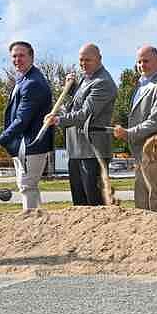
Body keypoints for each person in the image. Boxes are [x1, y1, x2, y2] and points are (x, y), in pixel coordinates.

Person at [44, 43, 118, 206]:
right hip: (77, 150)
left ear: (99, 59)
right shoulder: (87, 78)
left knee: (95, 203)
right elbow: (80, 101)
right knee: (80, 203)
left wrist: (58, 120)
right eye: (81, 60)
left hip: (92, 152)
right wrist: (72, 89)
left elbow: (85, 114)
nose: (83, 64)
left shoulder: (103, 82)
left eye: (88, 60)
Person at [0, 41, 53, 211]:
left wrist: (0, 140)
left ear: (31, 57)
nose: (17, 59)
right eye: (14, 56)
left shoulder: (33, 83)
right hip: (25, 144)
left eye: (21, 55)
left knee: (27, 185)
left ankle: (31, 222)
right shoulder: (23, 79)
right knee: (27, 186)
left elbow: (22, 119)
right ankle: (35, 220)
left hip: (32, 143)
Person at [113, 45, 157, 212]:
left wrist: (128, 134)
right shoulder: (144, 83)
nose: (142, 65)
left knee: (156, 194)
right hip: (142, 150)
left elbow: (155, 121)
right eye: (139, 61)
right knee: (141, 193)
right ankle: (145, 234)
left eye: (146, 61)